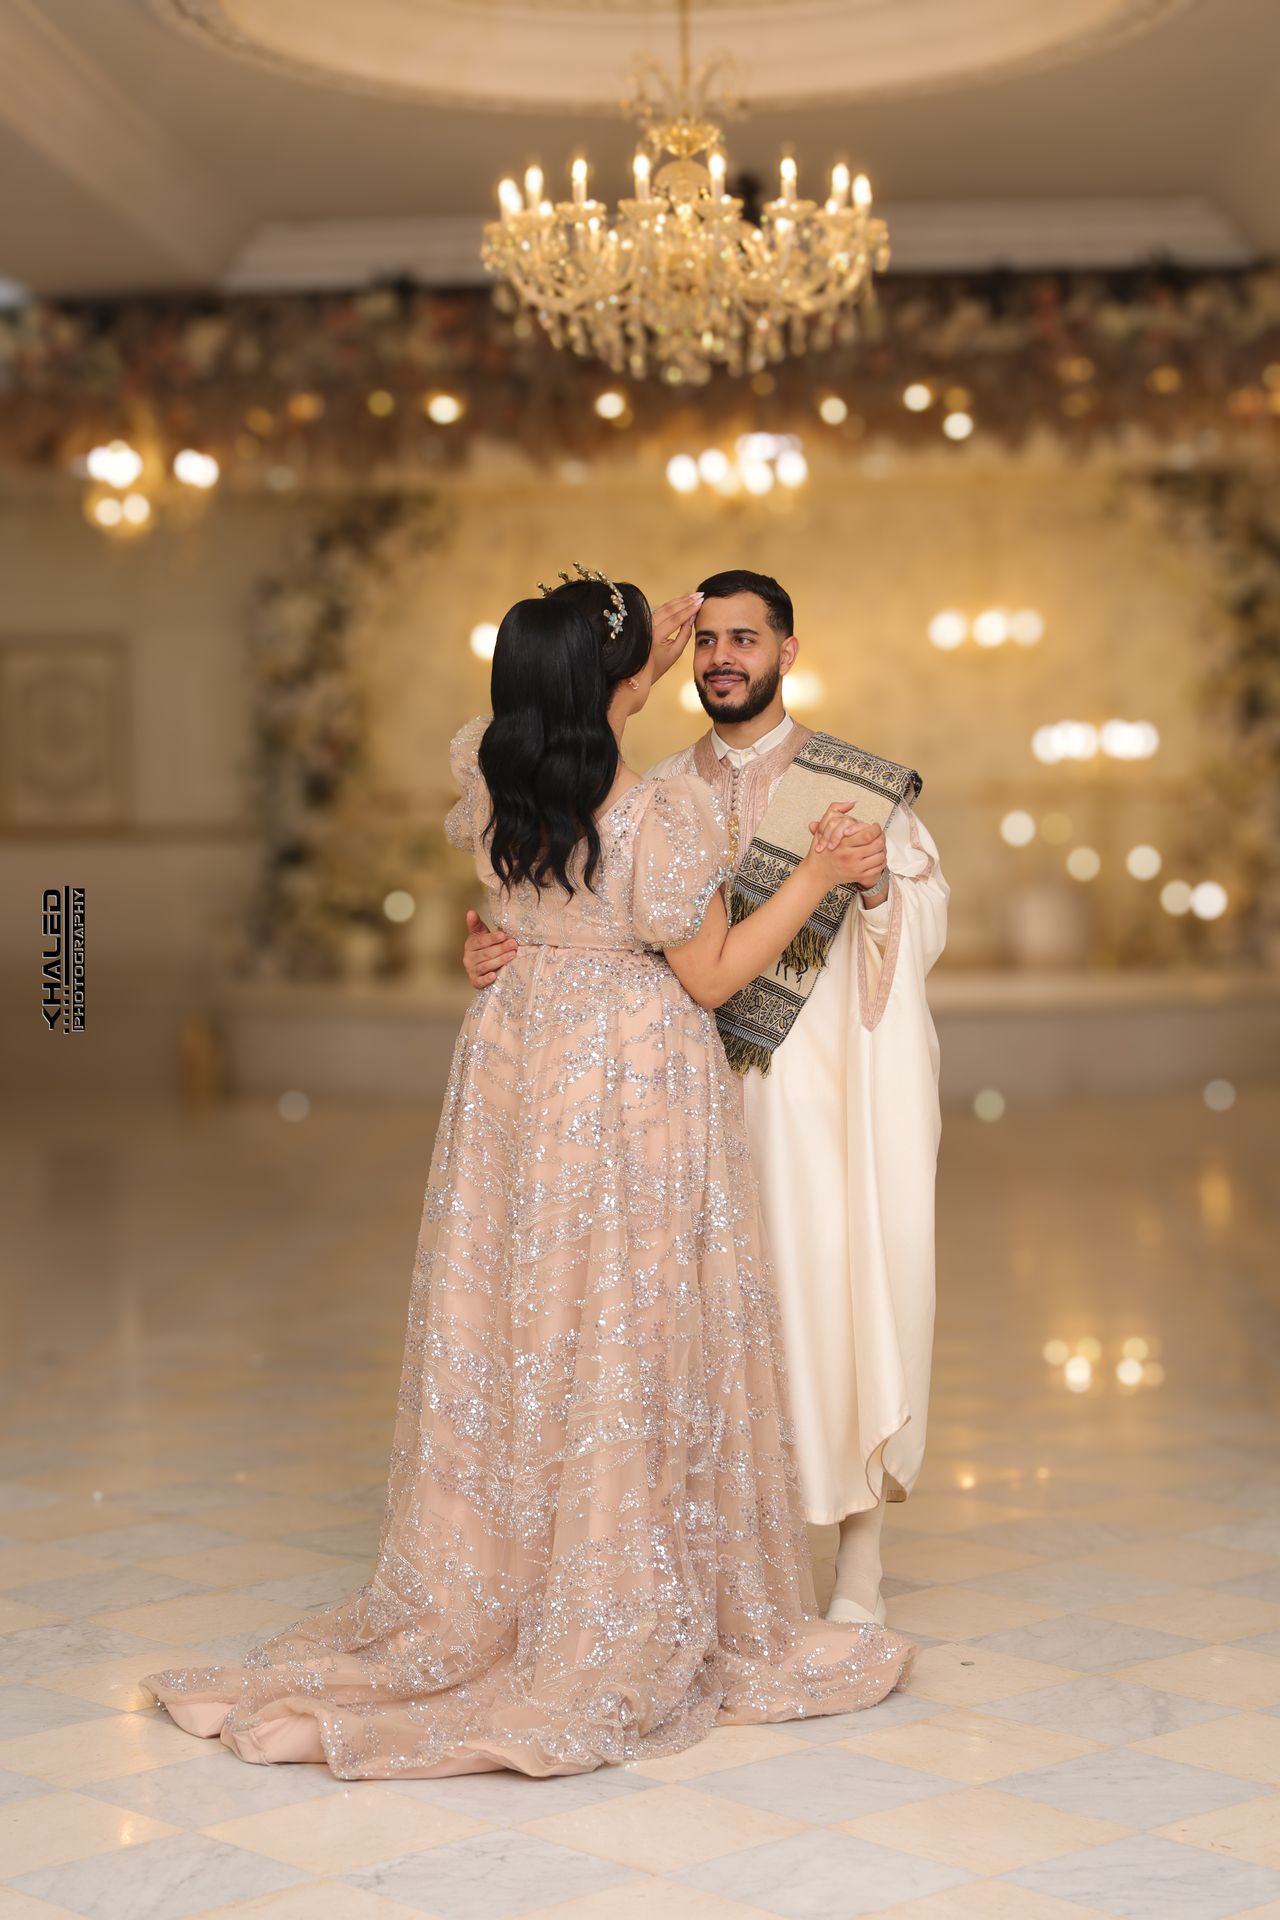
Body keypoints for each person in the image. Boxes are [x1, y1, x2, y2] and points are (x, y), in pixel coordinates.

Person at [140, 567, 913, 1780]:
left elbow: (524, 821)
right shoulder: (661, 815)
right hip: (627, 1078)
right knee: (625, 1327)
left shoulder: (498, 776)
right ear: (616, 675)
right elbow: (712, 977)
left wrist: (616, 669)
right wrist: (814, 875)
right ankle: (606, 1590)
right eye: (653, 645)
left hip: (519, 1065)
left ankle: (508, 1578)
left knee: (529, 1323)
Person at [466, 568, 948, 1630]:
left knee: (828, 1305)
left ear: (787, 652)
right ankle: (711, 1567)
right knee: (679, 1337)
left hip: (809, 1096)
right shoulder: (641, 786)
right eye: (710, 639)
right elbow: (576, 915)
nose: (723, 656)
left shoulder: (853, 787)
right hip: (668, 1106)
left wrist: (872, 882)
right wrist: (498, 947)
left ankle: (857, 1560)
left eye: (746, 638)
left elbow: (920, 912)